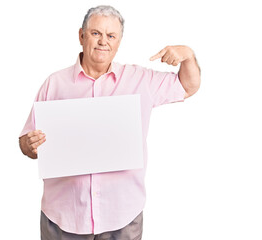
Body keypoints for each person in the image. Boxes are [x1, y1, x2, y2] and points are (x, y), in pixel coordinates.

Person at [19, 5, 200, 240]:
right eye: (96, 33)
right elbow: (26, 142)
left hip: (122, 217)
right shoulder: (54, 84)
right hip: (63, 218)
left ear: (119, 41)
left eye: (111, 36)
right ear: (81, 36)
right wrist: (29, 145)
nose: (103, 41)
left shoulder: (140, 80)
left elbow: (188, 86)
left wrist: (187, 55)